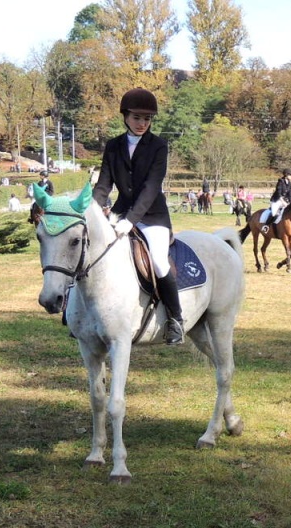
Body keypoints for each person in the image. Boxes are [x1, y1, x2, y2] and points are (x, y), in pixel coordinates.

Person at [92, 87, 184, 345]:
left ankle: (176, 320)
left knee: (158, 261)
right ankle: (79, 313)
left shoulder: (158, 146)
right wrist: (93, 209)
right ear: (125, 116)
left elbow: (150, 188)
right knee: (91, 250)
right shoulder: (113, 146)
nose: (142, 123)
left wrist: (129, 220)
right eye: (137, 118)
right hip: (120, 211)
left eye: (147, 119)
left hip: (152, 216)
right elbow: (103, 185)